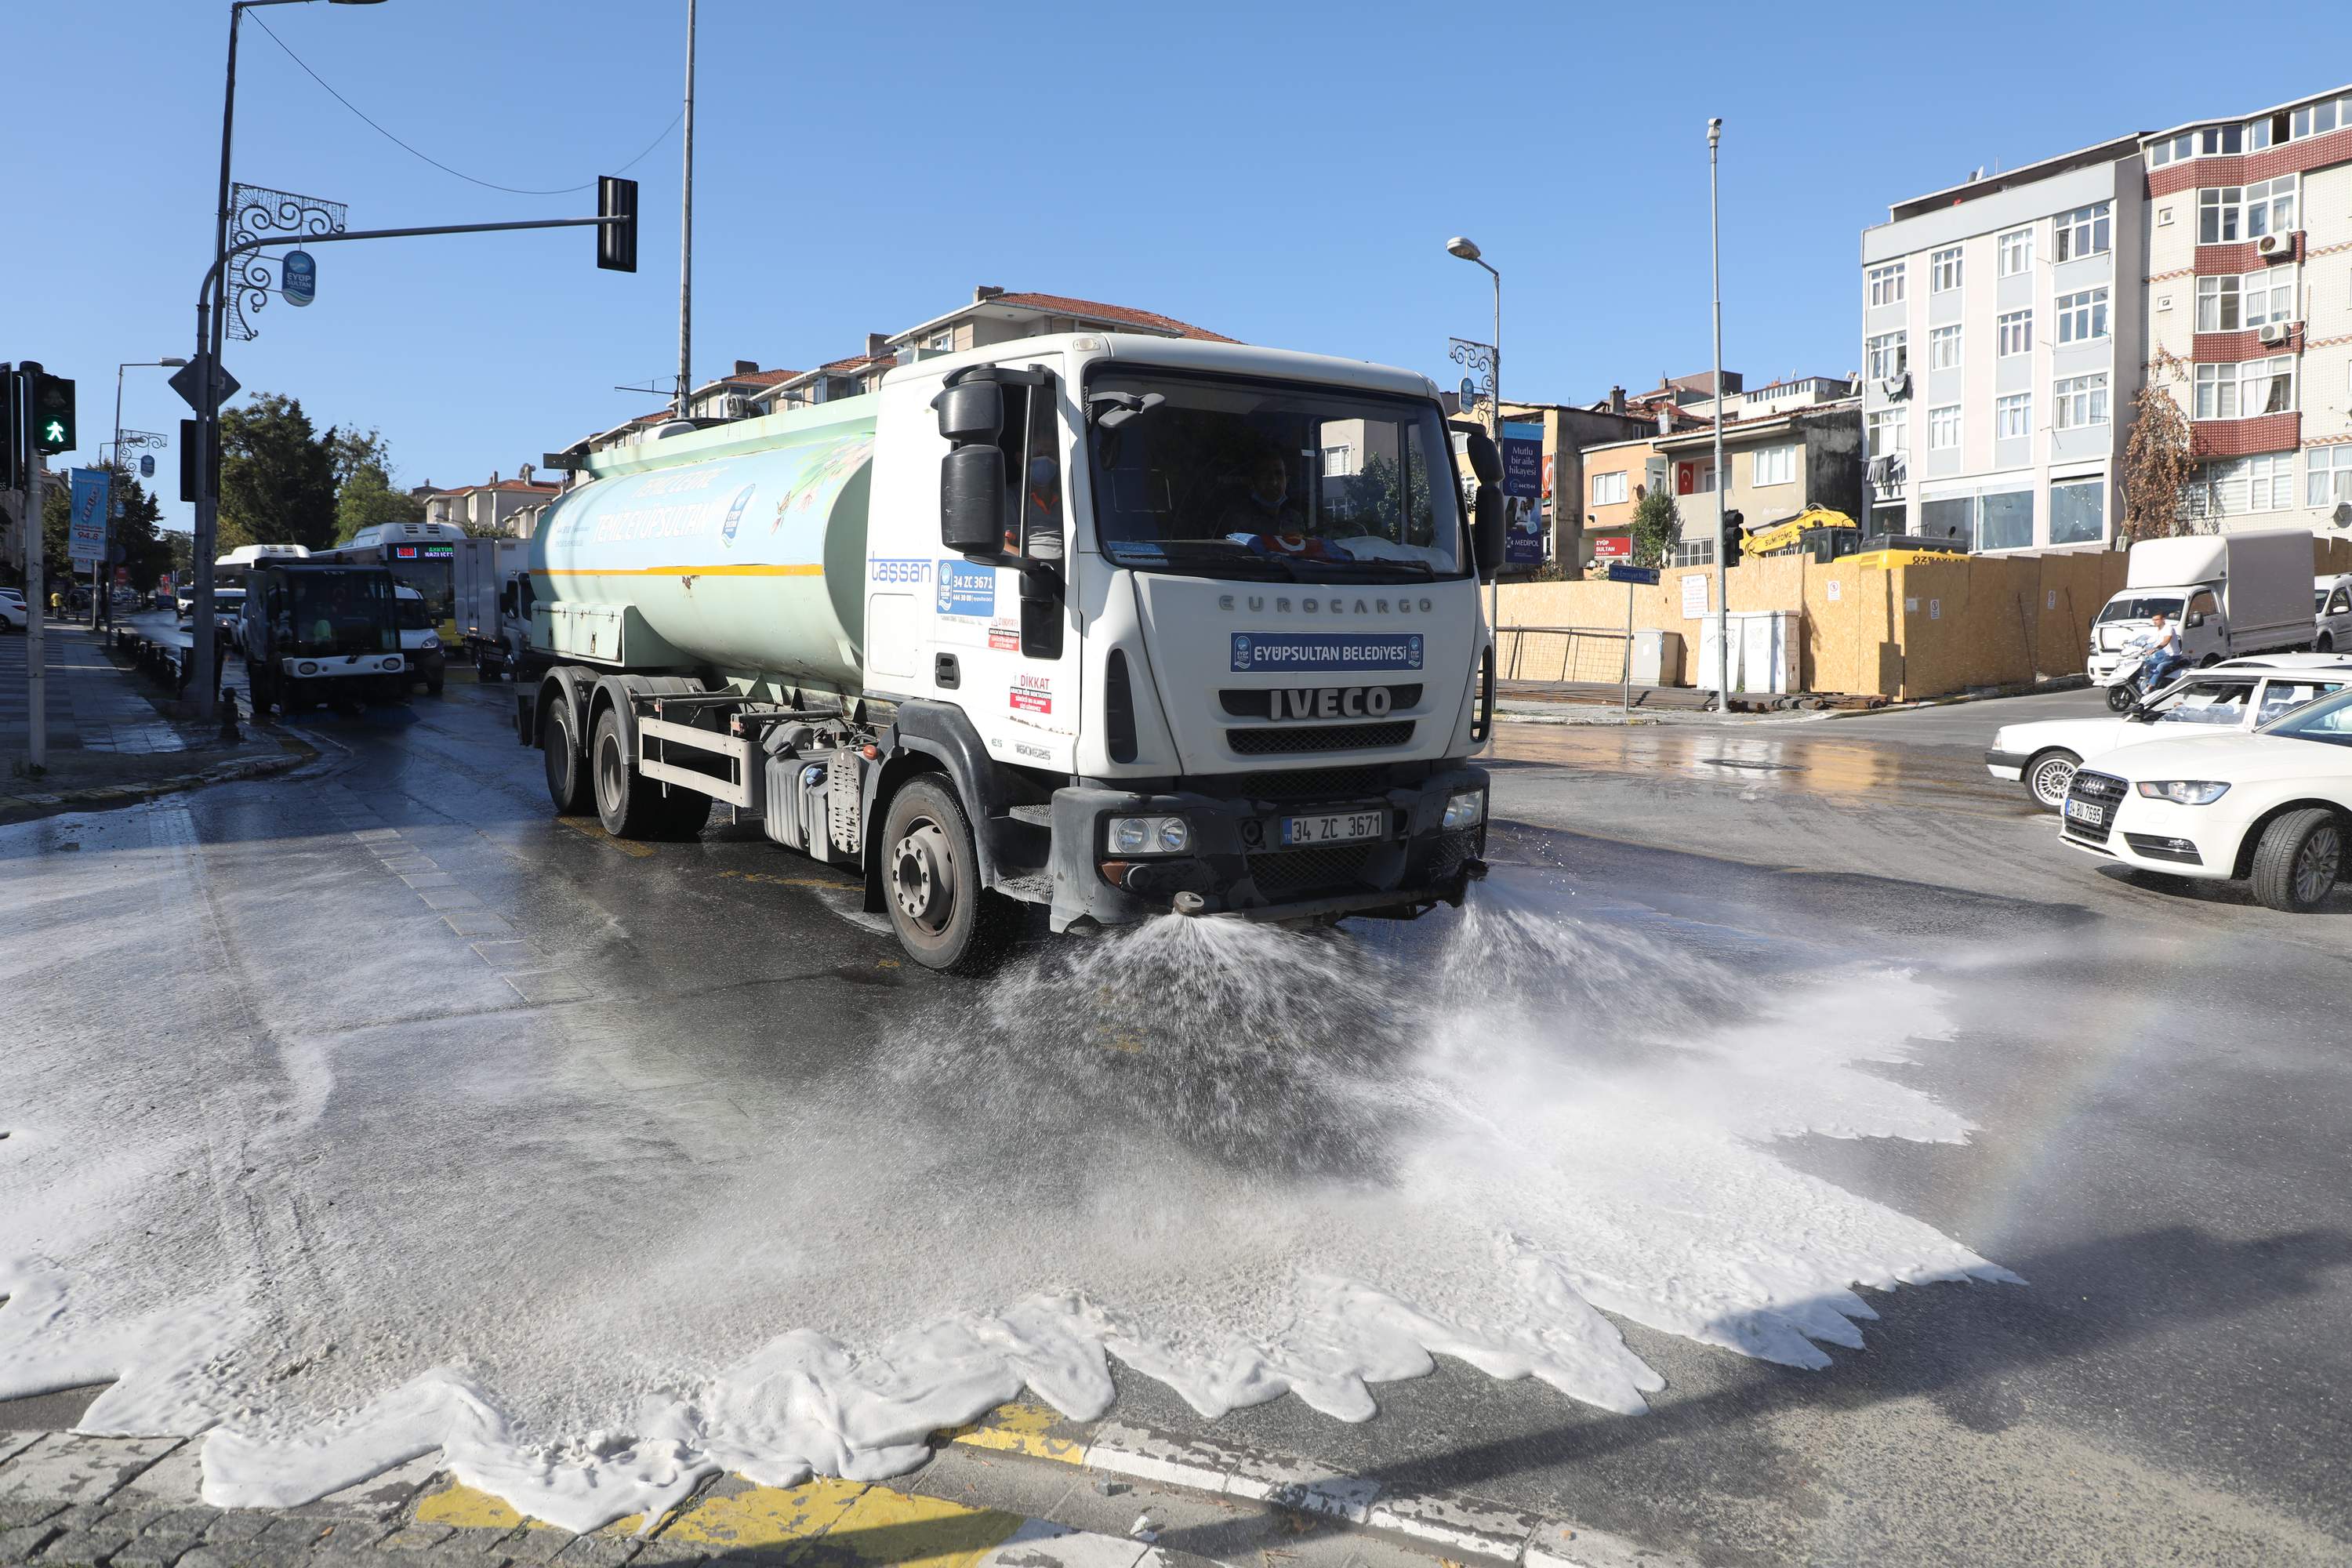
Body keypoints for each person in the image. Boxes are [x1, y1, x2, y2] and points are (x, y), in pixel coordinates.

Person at [1221, 450, 1351, 561]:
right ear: (1252, 482)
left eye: (1279, 474)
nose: (1274, 482)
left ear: (1287, 480)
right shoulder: (1239, 518)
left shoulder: (1294, 518)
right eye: (1265, 474)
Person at [2140, 609, 2185, 692]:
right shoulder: (2157, 630)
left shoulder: (2168, 628)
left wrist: (2155, 649)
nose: (2155, 622)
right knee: (2145, 664)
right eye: (2153, 620)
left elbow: (2166, 641)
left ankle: (2150, 687)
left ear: (2163, 619)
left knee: (2160, 666)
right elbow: (2150, 641)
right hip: (2160, 655)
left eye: (2157, 620)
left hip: (2172, 656)